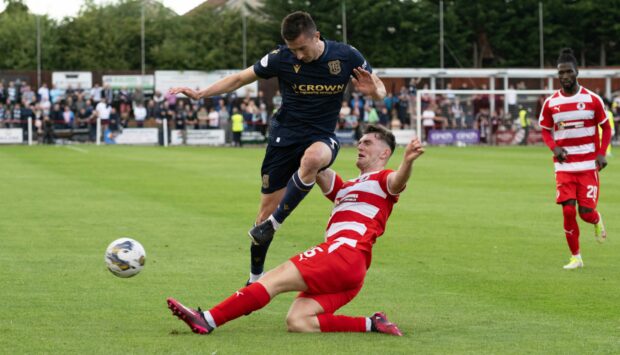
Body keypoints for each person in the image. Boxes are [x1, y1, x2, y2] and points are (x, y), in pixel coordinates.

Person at [168, 11, 386, 285]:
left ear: (316, 36)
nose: (297, 55)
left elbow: (380, 90)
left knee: (314, 157)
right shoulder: (280, 57)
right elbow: (239, 78)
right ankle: (254, 278)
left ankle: (276, 222)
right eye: (292, 49)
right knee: (261, 218)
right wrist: (200, 94)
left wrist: (374, 92)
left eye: (302, 49)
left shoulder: (346, 56)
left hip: (321, 135)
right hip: (283, 139)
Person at [166, 125, 424, 336]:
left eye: (367, 143)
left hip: (344, 253)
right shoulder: (347, 187)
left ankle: (207, 319)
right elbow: (315, 165)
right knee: (298, 321)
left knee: (273, 279)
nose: (360, 145)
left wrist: (407, 162)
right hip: (352, 272)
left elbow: (397, 181)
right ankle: (372, 323)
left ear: (384, 153)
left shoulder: (383, 179)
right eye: (360, 141)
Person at [538, 48, 612, 270]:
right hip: (565, 167)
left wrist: (601, 152)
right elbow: (544, 130)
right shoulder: (551, 103)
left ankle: (597, 220)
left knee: (586, 213)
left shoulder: (592, 99)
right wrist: (555, 147)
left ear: (577, 72)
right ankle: (576, 257)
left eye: (568, 72)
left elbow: (606, 127)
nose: (564, 76)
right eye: (561, 73)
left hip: (588, 165)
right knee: (568, 210)